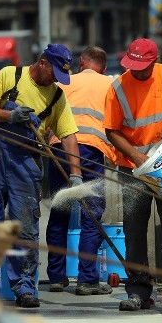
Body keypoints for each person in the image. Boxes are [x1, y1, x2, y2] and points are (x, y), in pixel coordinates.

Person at [0, 44, 82, 308]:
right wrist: (9, 115)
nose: (55, 80)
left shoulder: (57, 98)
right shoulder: (10, 75)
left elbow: (69, 135)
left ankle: (24, 286)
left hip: (26, 163)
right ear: (42, 62)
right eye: (54, 72)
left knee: (24, 227)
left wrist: (76, 174)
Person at [104, 38, 162, 312]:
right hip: (132, 168)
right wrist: (135, 156)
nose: (137, 71)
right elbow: (111, 130)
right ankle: (138, 290)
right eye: (132, 65)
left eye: (142, 66)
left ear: (154, 61)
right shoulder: (118, 87)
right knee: (134, 228)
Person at [45, 46, 116, 296]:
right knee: (91, 214)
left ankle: (56, 276)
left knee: (60, 209)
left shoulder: (64, 83)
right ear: (104, 67)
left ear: (81, 62)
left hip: (59, 150)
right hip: (91, 152)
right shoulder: (110, 85)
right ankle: (87, 280)